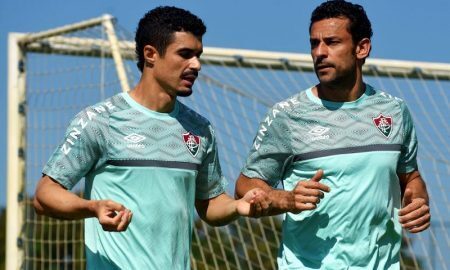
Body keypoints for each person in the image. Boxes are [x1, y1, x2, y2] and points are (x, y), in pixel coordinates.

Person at [33, 6, 268, 269]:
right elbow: (45, 194)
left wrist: (237, 206)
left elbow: (210, 203)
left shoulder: (200, 130)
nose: (196, 65)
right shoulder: (100, 121)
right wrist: (93, 208)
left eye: (198, 55)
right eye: (185, 54)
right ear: (150, 54)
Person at [235, 1, 430, 269]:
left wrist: (417, 200)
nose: (320, 52)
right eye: (314, 43)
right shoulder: (287, 115)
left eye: (332, 42)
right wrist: (286, 199)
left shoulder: (394, 111)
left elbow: (411, 177)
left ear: (362, 48)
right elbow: (245, 186)